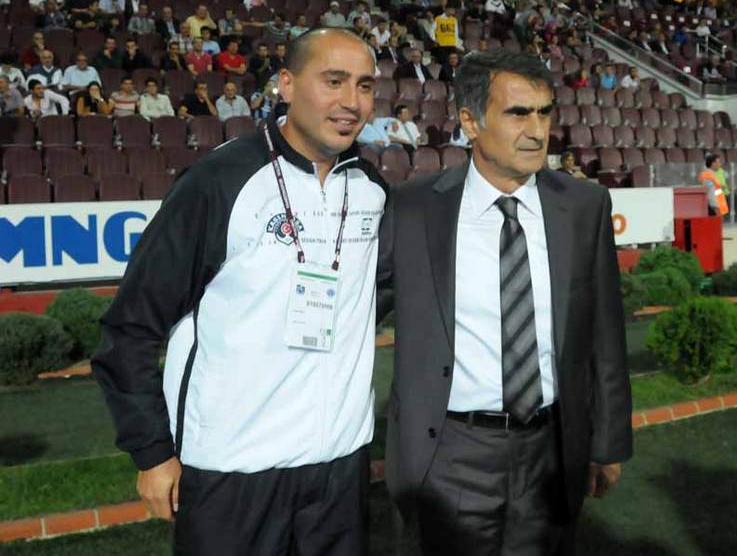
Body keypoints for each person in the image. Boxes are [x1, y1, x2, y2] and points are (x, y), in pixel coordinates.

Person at [92, 27, 386, 555]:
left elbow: (378, 296)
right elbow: (130, 326)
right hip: (232, 467)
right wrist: (152, 451)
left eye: (364, 86)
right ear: (286, 84)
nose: (351, 101)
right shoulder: (219, 180)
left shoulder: (370, 189)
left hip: (339, 467)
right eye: (334, 81)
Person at [377, 50, 632, 555]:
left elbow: (605, 332)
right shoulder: (413, 209)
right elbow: (356, 310)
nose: (537, 131)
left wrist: (608, 443)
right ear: (470, 122)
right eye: (518, 114)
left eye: (544, 112)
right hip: (448, 452)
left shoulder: (584, 206)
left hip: (552, 450)